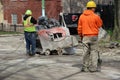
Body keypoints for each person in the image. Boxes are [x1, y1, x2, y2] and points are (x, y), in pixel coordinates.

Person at [77, 0, 103, 72]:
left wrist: (80, 35)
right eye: (94, 8)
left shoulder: (82, 16)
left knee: (85, 52)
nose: (94, 9)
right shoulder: (96, 16)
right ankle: (93, 68)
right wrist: (99, 18)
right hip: (94, 37)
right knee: (94, 52)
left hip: (85, 36)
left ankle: (85, 67)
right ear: (92, 8)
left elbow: (79, 28)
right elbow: (100, 25)